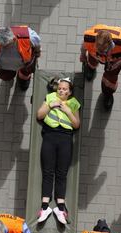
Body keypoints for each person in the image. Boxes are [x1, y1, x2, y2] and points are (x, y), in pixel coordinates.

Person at [36, 77, 81, 225]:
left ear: (69, 92)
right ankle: (45, 207)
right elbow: (39, 115)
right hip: (50, 136)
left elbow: (76, 125)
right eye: (60, 88)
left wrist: (68, 111)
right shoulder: (50, 98)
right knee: (48, 172)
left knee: (62, 173)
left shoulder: (74, 104)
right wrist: (51, 105)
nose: (61, 90)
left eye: (64, 89)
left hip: (66, 138)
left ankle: (60, 208)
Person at [80, 24, 121, 110]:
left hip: (114, 61)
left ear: (110, 44)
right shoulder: (90, 38)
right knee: (91, 61)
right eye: (98, 49)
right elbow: (84, 46)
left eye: (104, 51)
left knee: (110, 81)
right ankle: (91, 68)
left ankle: (107, 94)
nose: (101, 53)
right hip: (94, 56)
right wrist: (83, 55)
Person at [0, 26, 41, 91]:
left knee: (25, 74)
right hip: (3, 68)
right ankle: (9, 78)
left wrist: (37, 54)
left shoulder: (28, 36)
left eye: (6, 45)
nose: (3, 47)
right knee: (6, 77)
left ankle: (23, 79)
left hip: (24, 64)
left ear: (14, 39)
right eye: (1, 45)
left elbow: (37, 44)